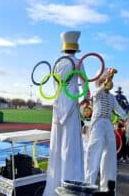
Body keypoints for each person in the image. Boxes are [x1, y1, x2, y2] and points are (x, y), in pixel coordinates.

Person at [43, 31, 88, 196]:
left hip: (57, 107)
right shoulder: (78, 62)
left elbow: (55, 86)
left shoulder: (57, 63)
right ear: (76, 49)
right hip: (71, 107)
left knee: (56, 146)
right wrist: (85, 99)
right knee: (72, 147)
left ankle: (54, 185)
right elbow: (85, 85)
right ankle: (72, 186)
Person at [85, 68, 129, 192]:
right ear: (101, 81)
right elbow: (96, 93)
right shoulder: (96, 93)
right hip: (97, 123)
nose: (108, 83)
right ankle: (88, 186)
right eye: (104, 80)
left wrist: (126, 118)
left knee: (110, 155)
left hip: (108, 123)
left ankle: (108, 189)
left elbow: (118, 108)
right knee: (94, 153)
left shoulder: (112, 97)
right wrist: (107, 80)